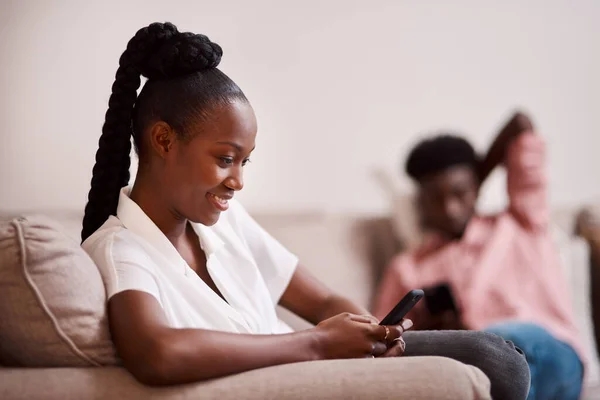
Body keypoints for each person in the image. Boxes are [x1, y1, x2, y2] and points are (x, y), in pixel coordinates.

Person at [81, 22, 529, 399]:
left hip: (320, 367)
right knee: (497, 363)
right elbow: (158, 352)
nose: (238, 181)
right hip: (298, 378)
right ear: (163, 141)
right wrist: (316, 343)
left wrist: (373, 333)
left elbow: (320, 300)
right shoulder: (123, 248)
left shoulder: (224, 222)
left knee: (504, 360)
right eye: (224, 159)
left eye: (244, 161)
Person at [373, 112, 584, 399]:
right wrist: (436, 330)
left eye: (459, 193)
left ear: (477, 187)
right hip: (475, 368)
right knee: (478, 360)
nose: (450, 208)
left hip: (552, 355)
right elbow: (380, 341)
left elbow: (520, 124)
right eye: (436, 198)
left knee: (504, 346)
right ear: (420, 202)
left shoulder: (522, 221)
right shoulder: (408, 267)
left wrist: (477, 175)